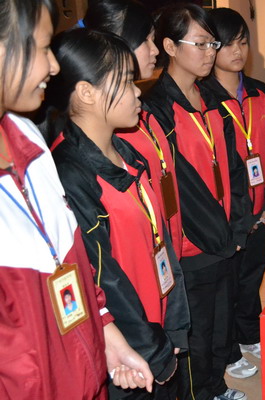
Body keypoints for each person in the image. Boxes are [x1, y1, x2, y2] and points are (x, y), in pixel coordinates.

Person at [0, 0, 154, 398]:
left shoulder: (28, 140)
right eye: (42, 48)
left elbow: (73, 268)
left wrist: (107, 334)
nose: (53, 67)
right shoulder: (68, 162)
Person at [46, 29, 190, 399]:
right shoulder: (69, 177)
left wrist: (173, 327)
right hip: (127, 355)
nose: (137, 92)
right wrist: (152, 348)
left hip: (158, 331)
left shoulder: (128, 154)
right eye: (125, 82)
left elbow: (159, 244)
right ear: (87, 92)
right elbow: (104, 280)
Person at [146, 4, 251, 400]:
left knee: (220, 327)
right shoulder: (157, 109)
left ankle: (216, 387)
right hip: (192, 246)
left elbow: (235, 168)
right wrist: (217, 235)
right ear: (170, 47)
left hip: (224, 238)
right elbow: (175, 190)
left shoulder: (213, 99)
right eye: (201, 44)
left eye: (213, 44)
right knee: (196, 335)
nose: (210, 53)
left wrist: (238, 227)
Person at [198, 7, 265, 380]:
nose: (237, 51)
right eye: (227, 44)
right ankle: (229, 348)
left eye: (243, 42)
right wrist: (235, 217)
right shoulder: (203, 98)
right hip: (228, 216)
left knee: (252, 275)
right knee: (227, 285)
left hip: (259, 208)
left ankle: (249, 333)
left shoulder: (259, 91)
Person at [83, 0, 184, 260]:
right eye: (146, 40)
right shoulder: (107, 124)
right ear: (117, 42)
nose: (155, 50)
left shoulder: (141, 107)